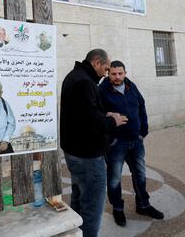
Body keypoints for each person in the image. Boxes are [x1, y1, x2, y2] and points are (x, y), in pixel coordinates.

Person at [60, 49, 128, 237]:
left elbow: (82, 113)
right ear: (96, 62)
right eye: (106, 69)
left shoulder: (76, 76)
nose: (106, 73)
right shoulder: (83, 82)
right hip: (87, 155)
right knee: (91, 208)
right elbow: (90, 120)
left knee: (79, 199)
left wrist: (106, 114)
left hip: (75, 151)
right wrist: (113, 121)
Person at [99, 60, 164, 227]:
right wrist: (110, 138)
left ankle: (143, 205)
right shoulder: (102, 90)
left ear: (125, 73)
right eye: (113, 73)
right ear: (108, 73)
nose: (117, 77)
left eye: (120, 73)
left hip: (136, 140)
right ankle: (118, 209)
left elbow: (141, 106)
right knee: (114, 179)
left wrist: (143, 131)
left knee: (140, 174)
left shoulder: (131, 86)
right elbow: (97, 114)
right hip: (116, 143)